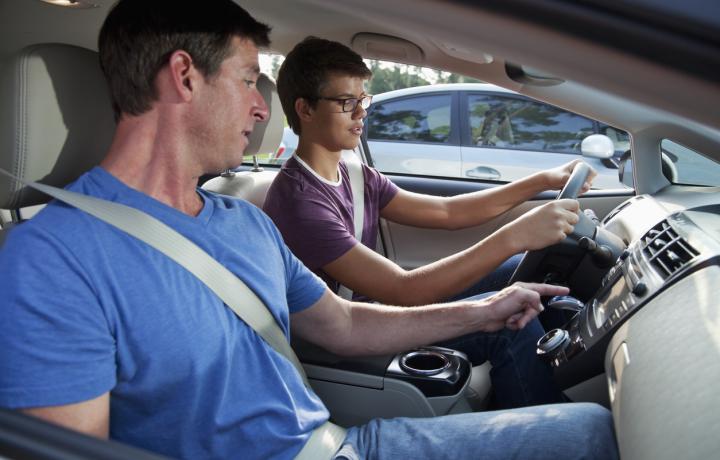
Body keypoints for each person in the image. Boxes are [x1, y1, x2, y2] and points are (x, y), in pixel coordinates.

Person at [0, 1, 618, 459]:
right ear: (184, 77)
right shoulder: (53, 258)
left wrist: (484, 312)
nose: (262, 106)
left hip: (337, 443)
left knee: (591, 430)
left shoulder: (243, 220)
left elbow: (345, 324)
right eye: (248, 80)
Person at [263, 37, 591, 408]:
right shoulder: (299, 203)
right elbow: (404, 290)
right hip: (350, 337)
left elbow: (447, 212)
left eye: (362, 99)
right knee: (511, 323)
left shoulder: (354, 174)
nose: (361, 113)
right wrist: (515, 235)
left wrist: (542, 180)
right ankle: (548, 429)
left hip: (378, 312)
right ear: (305, 110)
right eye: (346, 103)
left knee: (519, 267)